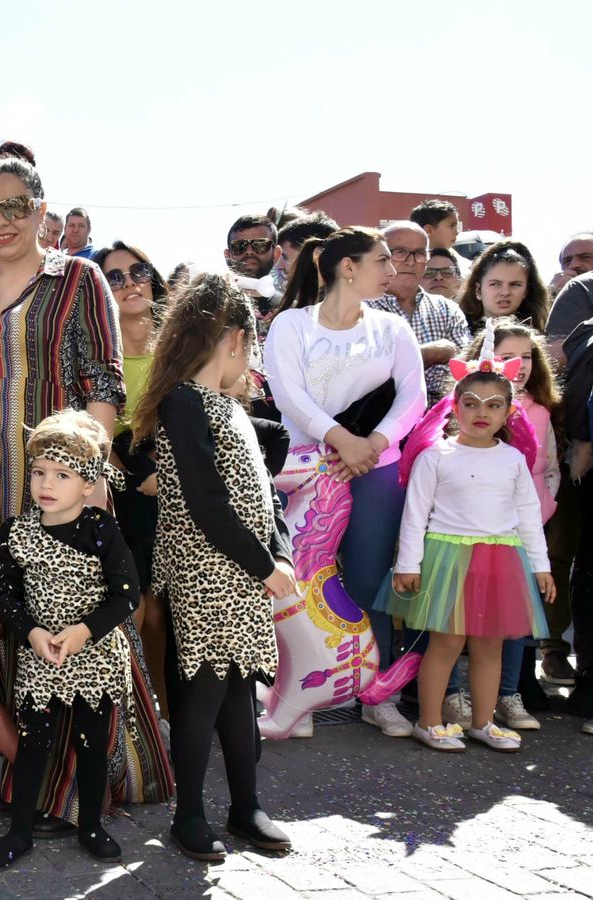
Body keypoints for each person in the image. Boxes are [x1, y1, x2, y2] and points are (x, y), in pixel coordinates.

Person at [0, 156, 170, 823]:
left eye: (16, 207)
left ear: (42, 209)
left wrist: (86, 483)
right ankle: (11, 759)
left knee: (66, 619)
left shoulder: (80, 279)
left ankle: (71, 786)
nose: (2, 222)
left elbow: (104, 385)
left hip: (56, 485)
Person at [138, 273, 294, 862]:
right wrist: (262, 562)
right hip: (205, 571)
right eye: (250, 348)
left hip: (245, 572)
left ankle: (246, 805)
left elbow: (263, 494)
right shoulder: (183, 403)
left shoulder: (231, 409)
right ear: (234, 339)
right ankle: (190, 814)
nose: (248, 360)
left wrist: (277, 552)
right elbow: (205, 502)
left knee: (238, 693)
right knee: (203, 693)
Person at [264, 227, 425, 741]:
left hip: (374, 467)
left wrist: (370, 445)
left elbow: (414, 397)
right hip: (302, 469)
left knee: (368, 578)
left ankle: (379, 696)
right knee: (299, 581)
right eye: (383, 259)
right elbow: (287, 393)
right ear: (348, 267)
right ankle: (295, 691)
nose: (393, 270)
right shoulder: (291, 324)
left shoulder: (393, 328)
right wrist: (339, 440)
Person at [377, 334, 552, 753]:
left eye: (494, 405)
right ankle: (430, 721)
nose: (481, 413)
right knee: (447, 642)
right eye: (470, 402)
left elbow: (528, 516)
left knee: (490, 643)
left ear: (509, 411)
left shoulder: (512, 459)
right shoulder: (436, 457)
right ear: (455, 406)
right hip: (448, 558)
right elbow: (415, 515)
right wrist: (409, 564)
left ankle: (483, 722)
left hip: (500, 559)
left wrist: (540, 565)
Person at [0, 410, 136, 867]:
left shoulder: (101, 530)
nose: (46, 484)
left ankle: (90, 824)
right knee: (33, 745)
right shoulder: (17, 532)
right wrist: (32, 632)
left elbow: (126, 594)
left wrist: (84, 631)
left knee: (91, 745)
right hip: (40, 656)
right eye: (38, 473)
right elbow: (4, 593)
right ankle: (21, 829)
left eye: (61, 474)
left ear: (88, 483)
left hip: (93, 658)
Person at [447, 320, 559, 733]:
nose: (521, 364)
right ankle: (452, 699)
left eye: (528, 356)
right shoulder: (451, 442)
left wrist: (539, 545)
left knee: (508, 627)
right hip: (461, 540)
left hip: (514, 537)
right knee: (455, 627)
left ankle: (505, 697)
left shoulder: (541, 412)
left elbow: (543, 474)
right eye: (510, 356)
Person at [95, 241, 171, 704]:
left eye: (138, 271)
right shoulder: (99, 349)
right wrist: (133, 476)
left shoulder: (180, 344)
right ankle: (138, 712)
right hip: (122, 486)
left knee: (167, 614)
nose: (129, 284)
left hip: (179, 485)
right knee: (139, 608)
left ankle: (167, 710)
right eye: (115, 277)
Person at [365, 221, 473, 404]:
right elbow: (365, 372)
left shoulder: (447, 309)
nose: (411, 261)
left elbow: (465, 369)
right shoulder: (362, 308)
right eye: (400, 252)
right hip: (378, 426)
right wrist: (432, 353)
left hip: (441, 424)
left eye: (420, 253)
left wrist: (400, 360)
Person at [456, 240, 550, 334]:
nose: (505, 292)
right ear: (478, 290)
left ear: (526, 291)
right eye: (495, 284)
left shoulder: (539, 339)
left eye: (515, 284)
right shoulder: (458, 333)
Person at [223, 213, 278, 280]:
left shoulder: (291, 289)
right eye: (239, 246)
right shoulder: (211, 290)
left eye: (260, 244)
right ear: (227, 256)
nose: (249, 251)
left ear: (276, 253)